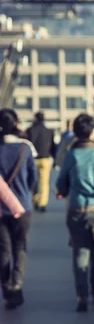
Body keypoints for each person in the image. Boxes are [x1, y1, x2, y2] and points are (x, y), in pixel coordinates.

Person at [55, 113, 94, 312]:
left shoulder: (71, 155)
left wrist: (65, 191)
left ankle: (82, 296)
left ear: (74, 132)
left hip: (77, 209)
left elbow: (61, 184)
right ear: (92, 132)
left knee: (80, 253)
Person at [0, 108, 37, 310]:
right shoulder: (25, 149)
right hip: (23, 206)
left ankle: (6, 290)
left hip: (1, 210)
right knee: (20, 247)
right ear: (16, 125)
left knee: (3, 249)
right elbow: (33, 179)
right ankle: (16, 284)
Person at [26, 111, 55, 212]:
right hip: (45, 159)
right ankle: (43, 203)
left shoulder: (30, 130)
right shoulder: (49, 131)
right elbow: (53, 146)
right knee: (44, 182)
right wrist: (55, 159)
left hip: (33, 159)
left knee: (34, 181)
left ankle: (35, 201)